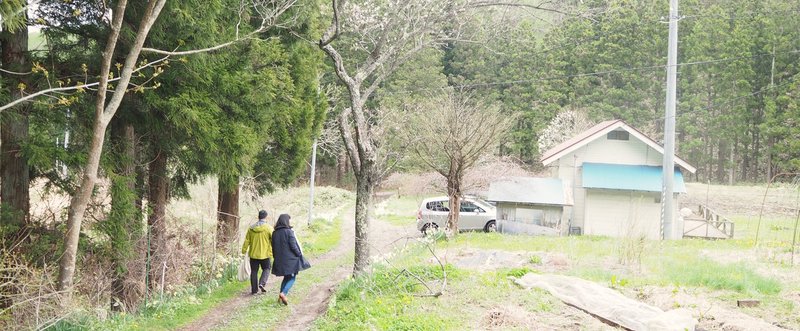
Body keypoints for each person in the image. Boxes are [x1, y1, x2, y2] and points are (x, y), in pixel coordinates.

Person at [271, 214, 308, 305]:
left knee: (286, 277)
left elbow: (273, 247)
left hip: (279, 259)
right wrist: (299, 254)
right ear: (286, 221)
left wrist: (276, 257)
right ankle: (283, 293)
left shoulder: (274, 233)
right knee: (292, 277)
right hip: (290, 259)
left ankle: (280, 299)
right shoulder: (289, 232)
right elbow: (293, 245)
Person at [241, 210, 273, 295]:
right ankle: (262, 283)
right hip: (265, 254)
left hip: (253, 254)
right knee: (267, 268)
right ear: (266, 217)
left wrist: (243, 251)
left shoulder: (251, 228)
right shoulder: (268, 228)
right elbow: (273, 239)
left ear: (258, 217)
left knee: (254, 271)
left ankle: (254, 290)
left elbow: (247, 241)